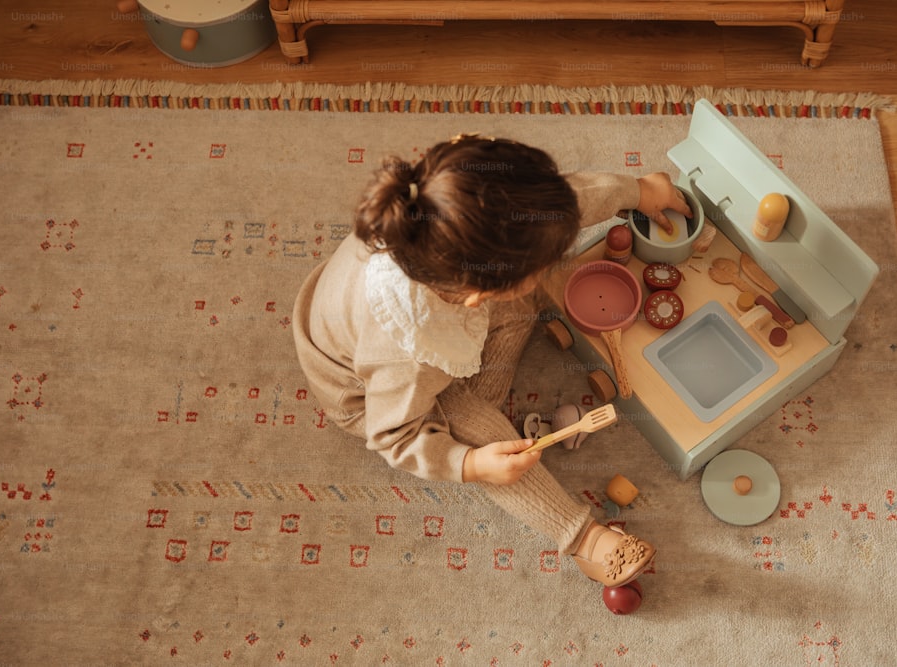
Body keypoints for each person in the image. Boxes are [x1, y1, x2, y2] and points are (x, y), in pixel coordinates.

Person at [293, 133, 692, 588]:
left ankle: (474, 404)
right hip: (365, 394)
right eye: (537, 266)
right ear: (480, 296)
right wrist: (470, 463)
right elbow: (393, 437)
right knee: (481, 432)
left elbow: (563, 200)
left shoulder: (459, 206)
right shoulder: (407, 354)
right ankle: (581, 538)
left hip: (403, 316)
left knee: (526, 307)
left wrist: (638, 190)